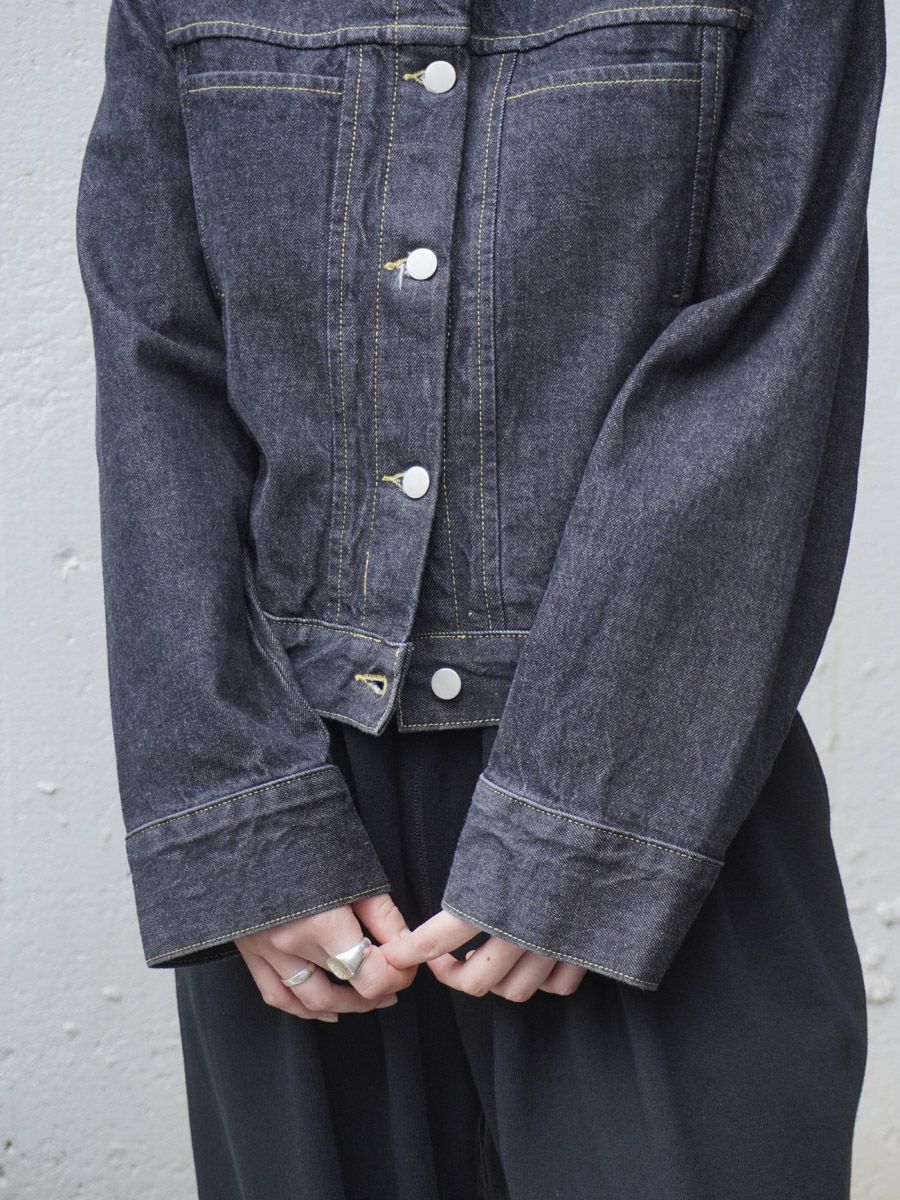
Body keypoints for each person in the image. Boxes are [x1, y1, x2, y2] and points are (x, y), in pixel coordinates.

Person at [75, 0, 886, 1196]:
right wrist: (241, 829)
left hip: (670, 797)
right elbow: (158, 372)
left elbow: (766, 365)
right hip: (306, 826)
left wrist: (584, 828)